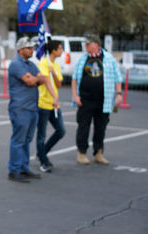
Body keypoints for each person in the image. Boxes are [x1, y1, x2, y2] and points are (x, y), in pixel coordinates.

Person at [72, 34, 123, 165]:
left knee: (101, 127)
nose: (86, 46)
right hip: (85, 99)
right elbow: (74, 78)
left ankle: (98, 152)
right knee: (83, 126)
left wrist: (118, 93)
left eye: (89, 44)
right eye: (86, 44)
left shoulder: (108, 59)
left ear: (96, 44)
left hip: (103, 99)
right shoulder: (83, 59)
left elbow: (118, 77)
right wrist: (75, 95)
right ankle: (81, 153)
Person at [7, 37, 44, 183]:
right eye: (28, 48)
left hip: (32, 107)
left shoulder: (31, 65)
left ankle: (23, 167)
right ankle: (14, 170)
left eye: (32, 47)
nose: (32, 50)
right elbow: (30, 81)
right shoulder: (16, 64)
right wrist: (36, 79)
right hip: (20, 107)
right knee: (19, 139)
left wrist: (36, 79)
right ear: (20, 50)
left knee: (27, 139)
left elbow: (41, 79)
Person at [36, 40, 66, 173]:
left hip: (54, 105)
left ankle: (42, 153)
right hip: (43, 103)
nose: (62, 51)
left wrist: (53, 72)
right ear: (54, 50)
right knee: (41, 135)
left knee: (61, 130)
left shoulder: (55, 65)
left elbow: (59, 84)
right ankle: (43, 161)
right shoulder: (43, 63)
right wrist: (54, 97)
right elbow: (46, 82)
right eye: (60, 48)